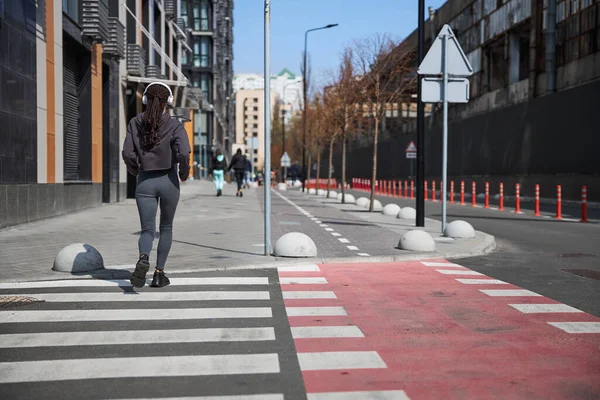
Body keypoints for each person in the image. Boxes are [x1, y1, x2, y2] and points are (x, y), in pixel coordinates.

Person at [122, 81, 191, 288]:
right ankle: (159, 274)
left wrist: (136, 170)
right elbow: (184, 152)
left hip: (144, 182)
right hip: (169, 181)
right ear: (168, 102)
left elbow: (127, 153)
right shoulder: (174, 125)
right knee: (166, 228)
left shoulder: (135, 122)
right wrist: (183, 172)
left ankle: (143, 257)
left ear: (144, 100)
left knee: (147, 230)